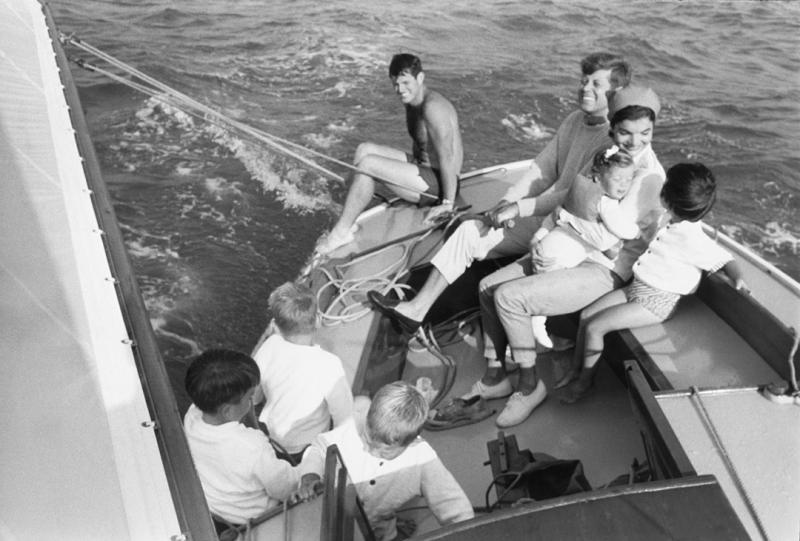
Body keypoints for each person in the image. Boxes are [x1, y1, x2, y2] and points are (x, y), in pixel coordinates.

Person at [368, 52, 632, 334]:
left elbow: (572, 196)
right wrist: (507, 202)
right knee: (470, 230)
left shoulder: (610, 143)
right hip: (552, 220)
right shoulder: (574, 120)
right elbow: (542, 169)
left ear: (616, 93)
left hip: (577, 236)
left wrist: (518, 209)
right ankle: (415, 310)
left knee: (500, 257)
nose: (585, 88)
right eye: (584, 81)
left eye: (596, 84)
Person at [470, 85, 667, 428]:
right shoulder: (604, 155)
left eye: (645, 133)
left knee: (509, 298)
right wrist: (534, 218)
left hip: (605, 267)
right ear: (612, 129)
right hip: (570, 247)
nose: (634, 142)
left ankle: (529, 386)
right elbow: (567, 197)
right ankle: (496, 374)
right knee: (488, 286)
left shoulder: (648, 177)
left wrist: (566, 224)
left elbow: (612, 241)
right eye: (625, 132)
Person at [558, 163, 748, 402]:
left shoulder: (693, 238)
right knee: (587, 316)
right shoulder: (668, 219)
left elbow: (725, 259)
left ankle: (584, 383)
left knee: (597, 327)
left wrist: (738, 278)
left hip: (656, 303)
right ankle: (576, 370)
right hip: (636, 287)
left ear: (667, 198)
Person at [314, 53, 464, 256]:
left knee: (368, 165)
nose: (400, 90)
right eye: (395, 83)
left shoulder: (432, 108)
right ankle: (353, 211)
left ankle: (340, 233)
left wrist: (447, 203)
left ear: (420, 78)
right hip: (424, 169)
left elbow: (447, 157)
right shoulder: (413, 101)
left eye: (405, 82)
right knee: (364, 150)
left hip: (438, 186)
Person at [305, 381, 474, 540]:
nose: (370, 450)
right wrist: (310, 477)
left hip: (382, 533)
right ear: (368, 414)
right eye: (368, 438)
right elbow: (319, 448)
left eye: (384, 450)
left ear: (411, 443)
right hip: (334, 524)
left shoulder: (422, 459)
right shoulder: (352, 426)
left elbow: (456, 510)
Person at [183, 349, 321, 525]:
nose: (251, 403)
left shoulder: (192, 416)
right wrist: (313, 459)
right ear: (227, 410)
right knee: (312, 453)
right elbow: (286, 488)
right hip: (252, 520)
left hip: (217, 509)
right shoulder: (253, 447)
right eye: (249, 398)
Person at [528, 145, 639, 348]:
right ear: (598, 178)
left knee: (541, 287)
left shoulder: (581, 191)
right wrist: (637, 231)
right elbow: (622, 229)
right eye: (617, 179)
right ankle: (537, 323)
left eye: (629, 179)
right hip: (558, 257)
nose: (623, 185)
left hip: (550, 246)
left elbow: (557, 214)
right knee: (546, 296)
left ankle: (529, 332)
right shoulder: (606, 202)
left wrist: (537, 237)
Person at [252, 282, 354, 464]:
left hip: (273, 442)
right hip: (309, 450)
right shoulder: (330, 365)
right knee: (362, 404)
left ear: (275, 326)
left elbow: (254, 398)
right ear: (318, 320)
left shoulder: (269, 346)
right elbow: (344, 420)